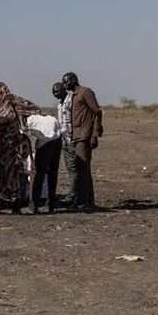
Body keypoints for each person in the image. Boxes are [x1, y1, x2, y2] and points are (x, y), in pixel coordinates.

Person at [0, 83, 40, 214]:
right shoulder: (15, 101)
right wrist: (22, 121)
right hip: (13, 145)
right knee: (15, 173)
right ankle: (15, 206)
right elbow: (34, 108)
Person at [64, 72, 103, 212]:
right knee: (83, 170)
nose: (65, 85)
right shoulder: (73, 96)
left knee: (82, 170)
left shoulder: (85, 92)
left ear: (73, 80)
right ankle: (88, 202)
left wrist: (95, 135)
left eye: (66, 82)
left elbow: (97, 112)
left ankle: (83, 203)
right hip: (77, 137)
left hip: (84, 136)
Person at [27, 110, 61, 214]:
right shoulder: (51, 119)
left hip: (45, 142)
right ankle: (51, 204)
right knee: (52, 173)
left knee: (37, 172)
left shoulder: (29, 120)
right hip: (57, 139)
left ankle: (34, 205)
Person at [52, 82, 74, 205]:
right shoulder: (60, 104)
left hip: (72, 139)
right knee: (70, 167)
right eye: (53, 92)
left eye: (57, 91)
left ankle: (73, 195)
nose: (55, 94)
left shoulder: (71, 100)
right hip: (64, 139)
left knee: (73, 168)